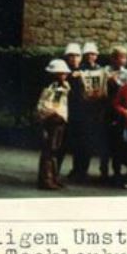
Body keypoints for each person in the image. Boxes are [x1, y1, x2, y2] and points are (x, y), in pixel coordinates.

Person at [68, 41, 106, 182]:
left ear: (97, 55)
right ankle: (76, 169)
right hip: (80, 110)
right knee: (78, 142)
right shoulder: (80, 69)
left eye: (93, 54)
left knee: (88, 143)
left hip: (93, 111)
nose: (91, 56)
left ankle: (83, 170)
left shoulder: (100, 69)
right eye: (88, 54)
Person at [35, 59, 71, 190]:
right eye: (62, 73)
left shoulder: (61, 86)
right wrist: (55, 115)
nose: (65, 75)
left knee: (54, 150)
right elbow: (47, 106)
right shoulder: (52, 88)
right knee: (49, 151)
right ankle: (47, 180)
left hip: (58, 121)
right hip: (52, 121)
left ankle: (53, 178)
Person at [101, 45, 127, 183]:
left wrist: (116, 82)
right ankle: (104, 171)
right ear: (113, 58)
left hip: (119, 111)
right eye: (120, 57)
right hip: (106, 110)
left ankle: (117, 171)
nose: (123, 60)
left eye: (125, 57)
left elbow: (126, 91)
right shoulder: (105, 71)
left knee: (118, 142)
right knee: (105, 141)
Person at [58, 42, 83, 179]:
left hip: (80, 114)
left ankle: (78, 172)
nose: (74, 59)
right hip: (64, 113)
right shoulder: (61, 71)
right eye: (71, 56)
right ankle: (54, 173)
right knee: (60, 144)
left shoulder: (85, 71)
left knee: (80, 144)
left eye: (77, 56)